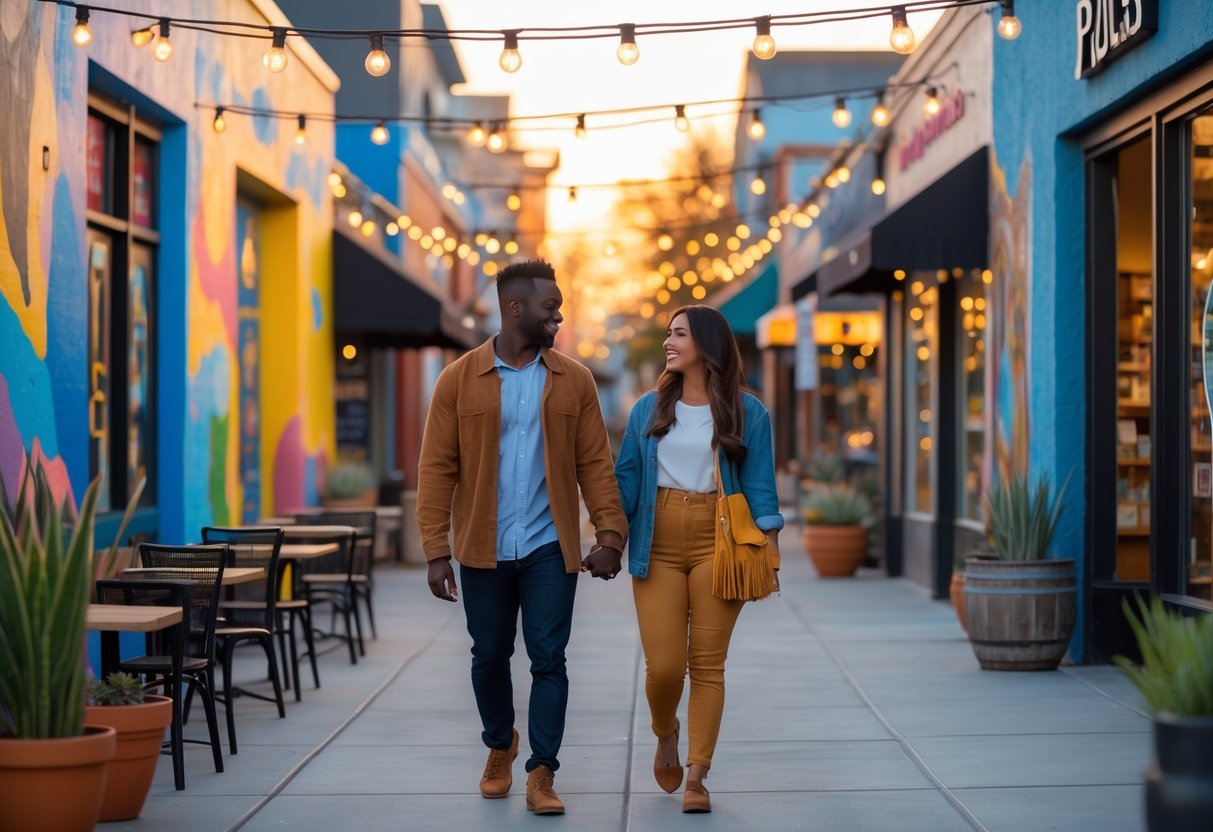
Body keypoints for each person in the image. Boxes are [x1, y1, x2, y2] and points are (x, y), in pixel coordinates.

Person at [416, 259, 627, 816]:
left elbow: (595, 463)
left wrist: (610, 532)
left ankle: (542, 770)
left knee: (548, 658)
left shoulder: (574, 380)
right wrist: (436, 550)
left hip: (547, 547)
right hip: (482, 547)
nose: (558, 314)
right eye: (549, 306)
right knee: (487, 655)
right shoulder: (458, 379)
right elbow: (436, 469)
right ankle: (498, 744)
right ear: (515, 309)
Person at [614, 305, 783, 814]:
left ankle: (697, 775)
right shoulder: (648, 408)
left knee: (708, 667)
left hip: (720, 541)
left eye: (679, 334)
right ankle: (666, 733)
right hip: (656, 540)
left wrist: (769, 547)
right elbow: (626, 477)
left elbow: (759, 487)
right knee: (664, 667)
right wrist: (605, 534)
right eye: (667, 334)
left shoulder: (749, 412)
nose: (668, 342)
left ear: (706, 344)